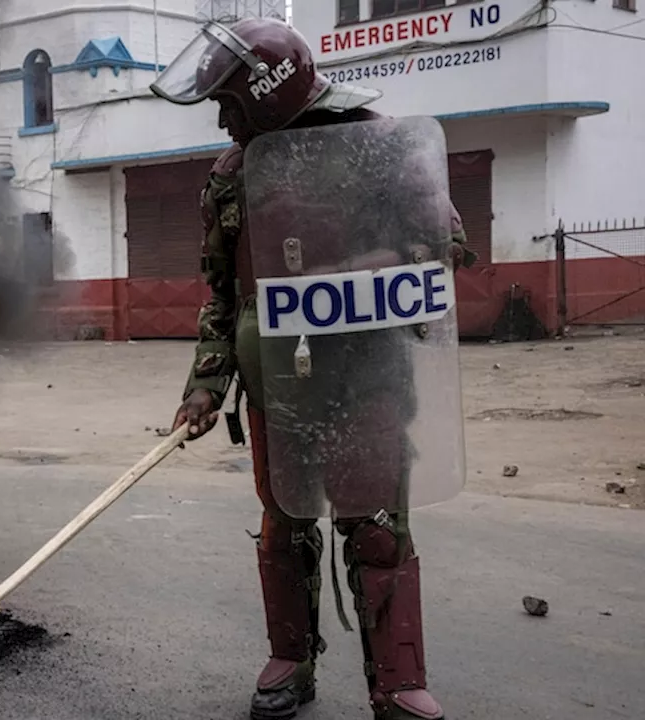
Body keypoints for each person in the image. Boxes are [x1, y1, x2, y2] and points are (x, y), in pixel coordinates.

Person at [151, 18, 473, 720]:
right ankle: (291, 661)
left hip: (368, 377)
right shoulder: (233, 177)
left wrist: (368, 268)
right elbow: (223, 296)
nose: (219, 117)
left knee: (377, 526)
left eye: (229, 102)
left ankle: (397, 682)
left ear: (267, 93)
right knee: (285, 522)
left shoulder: (380, 146)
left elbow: (447, 244)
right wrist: (206, 387)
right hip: (278, 384)